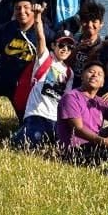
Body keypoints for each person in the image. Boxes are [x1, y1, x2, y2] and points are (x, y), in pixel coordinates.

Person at [0, 0, 50, 135]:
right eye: (18, 8)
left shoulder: (43, 30)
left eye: (26, 7)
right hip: (5, 75)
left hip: (26, 83)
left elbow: (56, 51)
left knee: (26, 126)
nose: (22, 11)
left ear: (33, 8)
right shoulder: (8, 28)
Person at [11, 8, 75, 149]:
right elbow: (40, 37)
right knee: (30, 143)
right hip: (36, 114)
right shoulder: (45, 58)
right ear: (53, 45)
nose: (65, 49)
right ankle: (16, 138)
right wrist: (38, 17)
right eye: (61, 45)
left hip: (55, 118)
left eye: (69, 47)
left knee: (61, 148)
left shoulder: (69, 73)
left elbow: (65, 98)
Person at [57, 61, 108, 167]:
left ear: (102, 83)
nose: (94, 75)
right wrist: (104, 141)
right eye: (91, 72)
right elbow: (77, 130)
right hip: (77, 151)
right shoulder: (71, 97)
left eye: (99, 74)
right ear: (82, 76)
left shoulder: (100, 101)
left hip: (96, 144)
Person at [73, 2, 106, 75]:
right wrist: (76, 49)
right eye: (86, 21)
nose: (90, 25)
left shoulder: (103, 44)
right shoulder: (73, 40)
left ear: (101, 24)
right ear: (80, 22)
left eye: (94, 21)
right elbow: (65, 64)